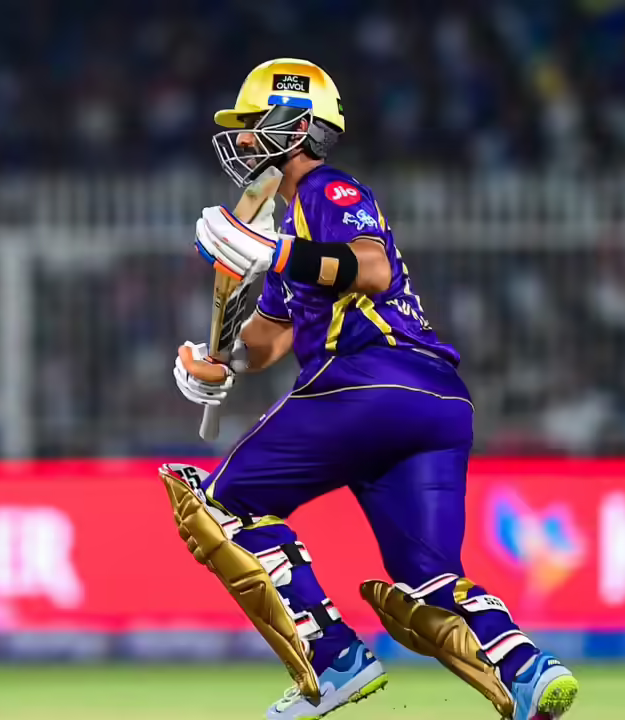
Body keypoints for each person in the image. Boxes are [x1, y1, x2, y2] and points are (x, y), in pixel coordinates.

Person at [167, 58, 579, 720]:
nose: (240, 140)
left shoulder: (326, 191)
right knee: (428, 579)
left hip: (367, 383)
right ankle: (529, 669)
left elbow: (372, 267)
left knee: (220, 507)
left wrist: (272, 254)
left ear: (294, 126)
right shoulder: (289, 224)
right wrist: (221, 364)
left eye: (251, 123)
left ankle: (334, 658)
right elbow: (270, 339)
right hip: (437, 403)